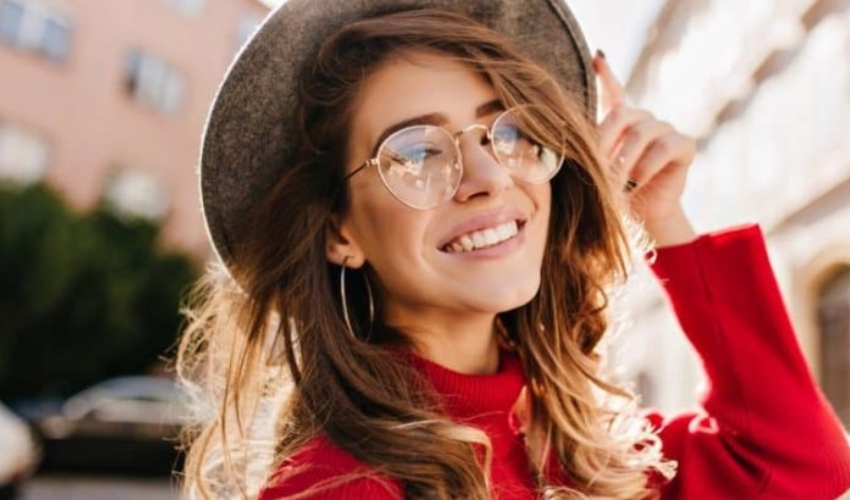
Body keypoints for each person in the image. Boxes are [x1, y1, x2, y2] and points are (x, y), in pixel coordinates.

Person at [178, 1, 850, 499]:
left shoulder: (590, 457)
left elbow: (797, 465)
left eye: (509, 131)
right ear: (339, 233)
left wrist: (664, 217)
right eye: (416, 153)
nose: (489, 177)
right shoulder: (338, 489)